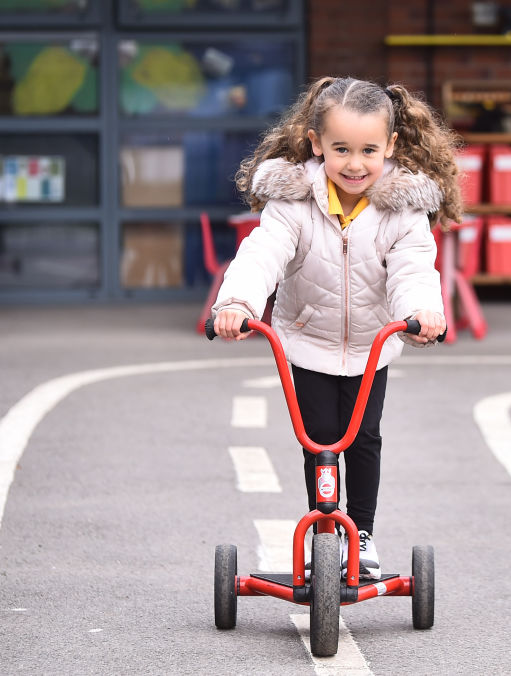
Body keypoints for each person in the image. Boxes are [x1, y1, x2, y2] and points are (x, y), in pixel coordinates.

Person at [211, 76, 462, 579]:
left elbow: (414, 267)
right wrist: (238, 303)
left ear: (390, 146)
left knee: (364, 437)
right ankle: (326, 530)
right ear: (315, 144)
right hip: (306, 341)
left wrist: (422, 313)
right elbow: (263, 254)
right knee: (320, 441)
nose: (354, 163)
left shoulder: (403, 209)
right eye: (340, 149)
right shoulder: (293, 203)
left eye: (368, 150)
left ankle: (362, 533)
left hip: (371, 346)